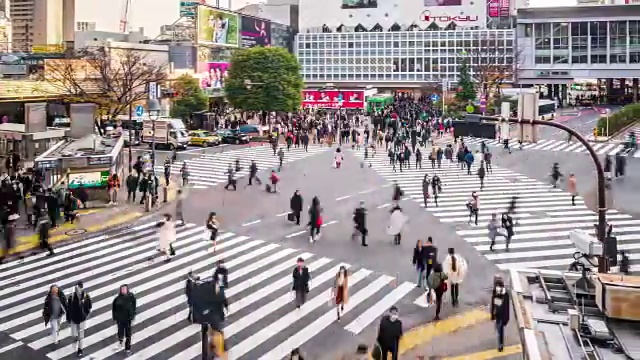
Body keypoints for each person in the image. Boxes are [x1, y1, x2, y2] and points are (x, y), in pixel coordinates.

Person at [66, 281, 92, 357]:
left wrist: (86, 315)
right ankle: (76, 338)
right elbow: (69, 308)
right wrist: (68, 319)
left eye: (79, 288)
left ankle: (80, 349)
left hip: (82, 319)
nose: (78, 290)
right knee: (74, 334)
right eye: (77, 288)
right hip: (74, 318)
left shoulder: (86, 296)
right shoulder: (71, 297)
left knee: (81, 336)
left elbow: (89, 306)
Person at [112, 284, 136, 355]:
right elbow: (114, 309)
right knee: (120, 331)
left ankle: (127, 348)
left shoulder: (131, 296)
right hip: (120, 319)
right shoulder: (117, 299)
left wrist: (133, 313)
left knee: (128, 334)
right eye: (122, 289)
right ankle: (121, 339)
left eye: (125, 289)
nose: (124, 290)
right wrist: (115, 317)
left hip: (128, 319)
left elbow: (134, 304)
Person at [490, 275, 511, 352]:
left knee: (499, 329)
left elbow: (495, 305)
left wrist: (492, 315)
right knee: (501, 330)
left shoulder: (496, 292)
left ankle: (500, 345)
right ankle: (501, 344)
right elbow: (507, 306)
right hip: (504, 315)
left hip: (499, 315)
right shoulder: (506, 292)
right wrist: (507, 318)